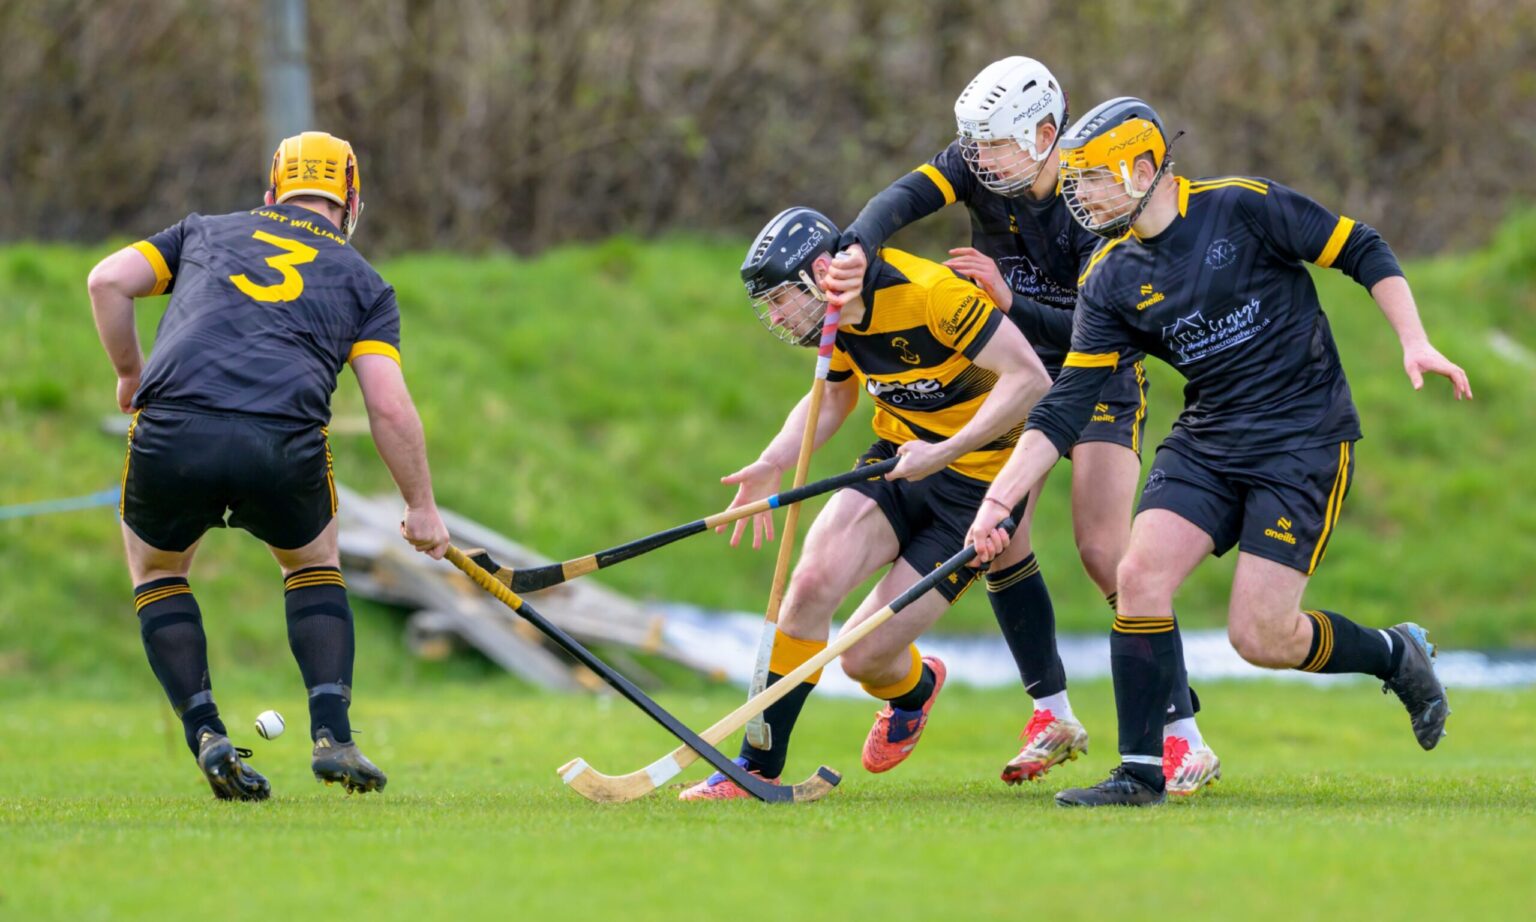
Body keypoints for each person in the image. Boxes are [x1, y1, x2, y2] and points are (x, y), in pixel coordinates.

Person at [966, 97, 1470, 806]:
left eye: (1095, 179)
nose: (1081, 196)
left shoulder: (1244, 207)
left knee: (1261, 637)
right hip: (1208, 441)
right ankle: (1140, 773)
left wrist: (1414, 339)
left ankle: (1393, 653)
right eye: (1075, 182)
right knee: (1138, 574)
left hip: (1303, 439)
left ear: (1143, 167)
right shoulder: (1108, 277)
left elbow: (1363, 247)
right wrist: (998, 501)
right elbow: (1066, 402)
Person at [824, 56, 1217, 793]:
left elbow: (1108, 322)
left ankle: (1182, 734)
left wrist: (1008, 302)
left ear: (1044, 135)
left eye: (994, 145)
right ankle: (1053, 714)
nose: (978, 159)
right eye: (972, 145)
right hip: (1019, 378)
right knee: (1000, 539)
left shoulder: (1091, 193)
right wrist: (857, 243)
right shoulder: (979, 165)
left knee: (1107, 553)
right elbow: (906, 194)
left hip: (1099, 372)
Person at [87, 131, 451, 800]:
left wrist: (129, 374)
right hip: (281, 441)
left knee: (159, 572)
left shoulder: (201, 232)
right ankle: (333, 735)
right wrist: (420, 507)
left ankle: (208, 733)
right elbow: (389, 408)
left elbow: (107, 280)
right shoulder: (365, 282)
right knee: (312, 565)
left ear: (272, 193)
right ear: (350, 200)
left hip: (175, 430)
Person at [679, 206, 1051, 800]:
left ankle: (913, 688)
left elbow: (1031, 379)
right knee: (811, 582)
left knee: (864, 659)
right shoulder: (838, 320)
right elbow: (830, 400)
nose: (775, 316)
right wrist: (775, 460)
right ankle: (754, 769)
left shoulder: (931, 295)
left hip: (980, 487)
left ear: (821, 271)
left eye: (779, 299)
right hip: (898, 462)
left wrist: (946, 449)